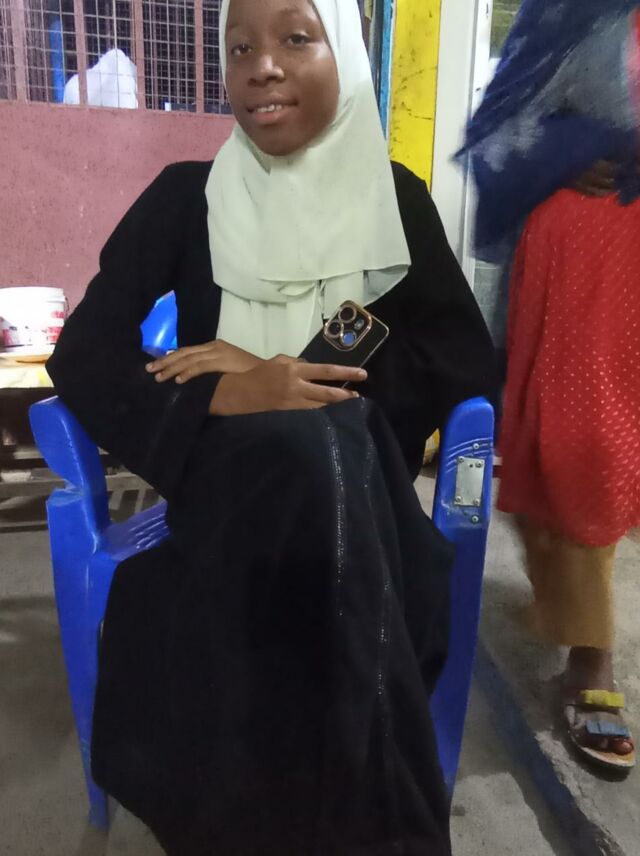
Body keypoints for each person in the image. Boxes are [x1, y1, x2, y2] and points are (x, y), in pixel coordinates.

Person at [48, 0, 495, 852]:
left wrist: (283, 373)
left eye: (296, 37)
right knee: (305, 448)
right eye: (239, 45)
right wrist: (224, 394)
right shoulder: (185, 199)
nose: (262, 65)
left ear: (346, 60)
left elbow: (461, 362)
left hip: (365, 508)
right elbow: (86, 353)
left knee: (325, 440)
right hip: (228, 506)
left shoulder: (395, 201)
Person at [460, 0, 640, 772]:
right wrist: (564, 151)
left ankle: (564, 581)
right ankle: (591, 654)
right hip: (589, 251)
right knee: (586, 445)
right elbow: (497, 126)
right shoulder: (572, 13)